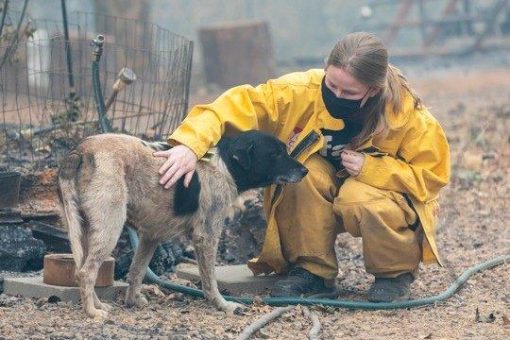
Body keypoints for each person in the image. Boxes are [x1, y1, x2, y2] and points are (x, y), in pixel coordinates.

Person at [154, 32, 450, 302]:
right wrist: (189, 146)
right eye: (331, 85)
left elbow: (432, 175)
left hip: (374, 194)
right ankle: (314, 272)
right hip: (323, 183)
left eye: (349, 93)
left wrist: (372, 169)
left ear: (372, 91)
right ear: (325, 68)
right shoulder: (297, 92)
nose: (336, 95)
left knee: (359, 198)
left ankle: (394, 273)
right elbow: (229, 107)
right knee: (300, 173)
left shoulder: (407, 115)